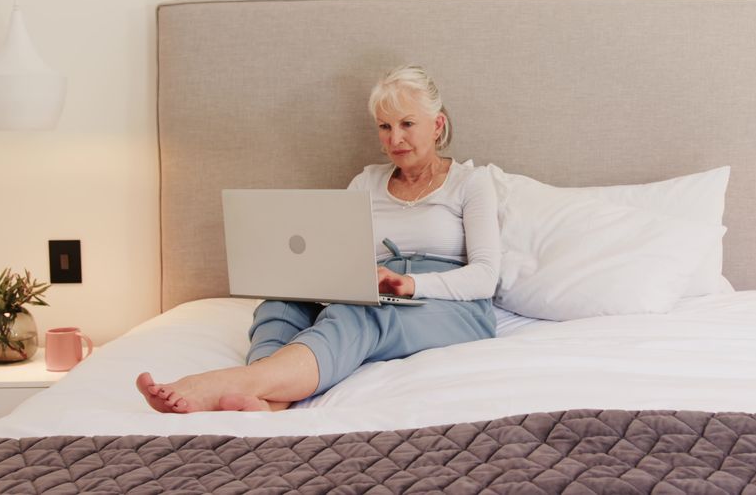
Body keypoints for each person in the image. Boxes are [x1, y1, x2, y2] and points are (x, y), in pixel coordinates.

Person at [136, 65, 501, 412]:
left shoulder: (471, 182)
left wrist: (408, 284)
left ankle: (223, 384)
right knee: (281, 302)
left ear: (437, 125)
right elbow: (336, 254)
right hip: (375, 289)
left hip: (448, 306)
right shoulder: (365, 182)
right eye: (384, 126)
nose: (395, 138)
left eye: (407, 124)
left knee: (360, 315)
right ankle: (269, 402)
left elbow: (485, 276)